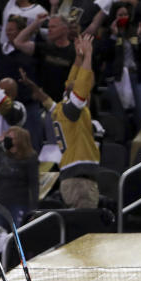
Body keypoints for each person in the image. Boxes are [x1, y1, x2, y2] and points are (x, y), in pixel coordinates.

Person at [32, 34, 101, 209]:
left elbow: (72, 83)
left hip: (71, 176)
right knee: (84, 230)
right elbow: (81, 85)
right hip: (80, 181)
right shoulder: (72, 110)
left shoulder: (62, 107)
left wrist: (79, 57)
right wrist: (89, 54)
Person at [0, 126, 38, 230]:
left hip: (19, 204)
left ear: (20, 140)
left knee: (19, 236)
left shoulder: (30, 157)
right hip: (0, 204)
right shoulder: (3, 156)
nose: (7, 140)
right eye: (6, 137)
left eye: (11, 138)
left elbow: (34, 184)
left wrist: (33, 210)